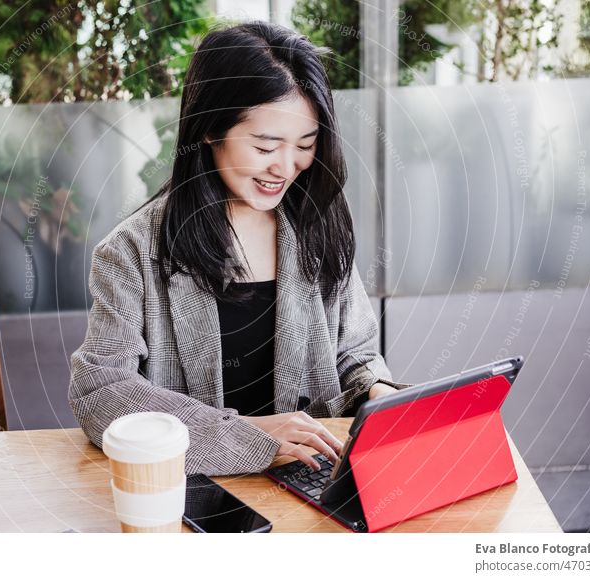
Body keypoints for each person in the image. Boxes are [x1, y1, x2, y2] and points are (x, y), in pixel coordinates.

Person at [69, 21, 408, 477]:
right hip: (195, 493)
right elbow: (101, 390)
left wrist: (378, 391)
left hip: (312, 480)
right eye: (266, 144)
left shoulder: (316, 226)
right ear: (209, 130)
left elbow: (356, 355)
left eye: (305, 145)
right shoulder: (132, 252)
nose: (286, 167)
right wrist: (249, 437)